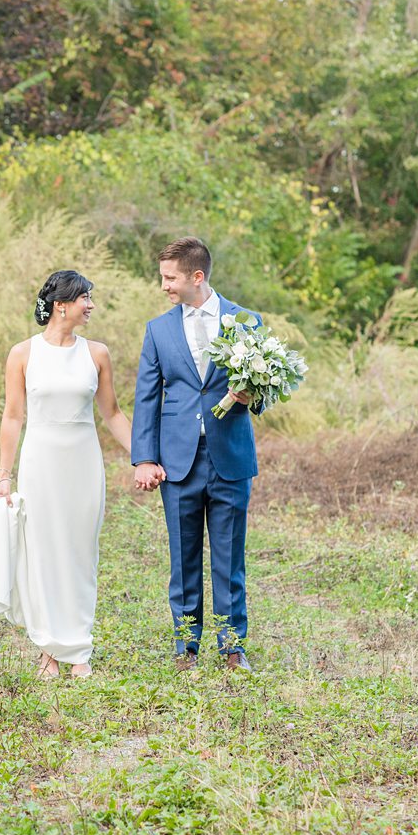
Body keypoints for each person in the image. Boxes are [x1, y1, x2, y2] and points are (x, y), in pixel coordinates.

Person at [130, 237, 263, 673]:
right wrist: (144, 458)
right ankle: (185, 646)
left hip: (229, 456)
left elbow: (264, 390)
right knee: (183, 555)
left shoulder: (245, 321)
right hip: (177, 460)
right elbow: (147, 399)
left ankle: (232, 647)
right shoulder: (158, 330)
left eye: (170, 278)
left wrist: (252, 396)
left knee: (229, 556)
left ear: (196, 277)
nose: (164, 285)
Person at [0, 270, 133, 679]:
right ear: (62, 305)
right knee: (42, 553)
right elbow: (12, 416)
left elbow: (112, 413)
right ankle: (49, 652)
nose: (90, 306)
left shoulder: (97, 354)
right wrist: (5, 476)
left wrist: (143, 457)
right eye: (85, 298)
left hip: (83, 463)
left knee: (79, 552)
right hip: (40, 462)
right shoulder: (22, 354)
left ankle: (80, 650)